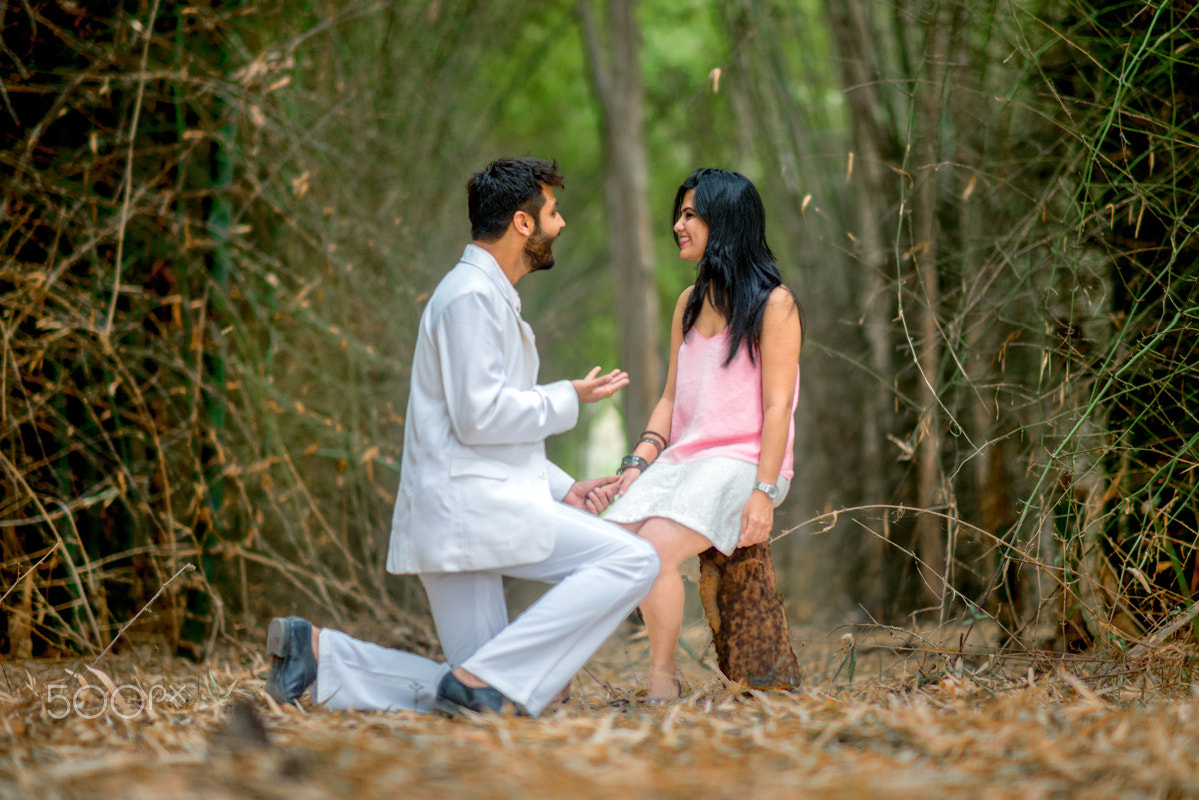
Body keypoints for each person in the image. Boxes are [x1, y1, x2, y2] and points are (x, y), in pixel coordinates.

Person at [264, 157, 660, 717]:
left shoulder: (478, 294)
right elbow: (481, 415)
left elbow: (479, 430)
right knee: (633, 562)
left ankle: (320, 657)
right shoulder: (470, 297)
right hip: (472, 510)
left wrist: (561, 487)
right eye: (553, 211)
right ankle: (508, 679)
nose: (561, 224)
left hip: (464, 510)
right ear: (523, 223)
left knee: (482, 697)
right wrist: (567, 397)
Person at [602, 168, 803, 700]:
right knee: (612, 544)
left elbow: (779, 406)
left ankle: (661, 677)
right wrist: (637, 464)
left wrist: (764, 492)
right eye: (680, 213)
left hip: (745, 462)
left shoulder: (774, 304)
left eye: (691, 214)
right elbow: (671, 398)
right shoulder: (688, 303)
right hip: (684, 463)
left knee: (652, 550)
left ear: (726, 221)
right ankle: (551, 674)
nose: (678, 225)